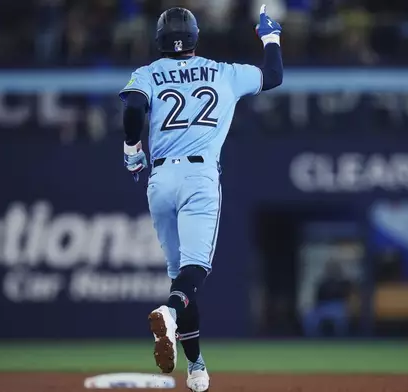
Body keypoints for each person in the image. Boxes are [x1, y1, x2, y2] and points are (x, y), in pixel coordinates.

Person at [118, 4, 283, 392]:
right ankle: (170, 315)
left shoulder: (147, 73)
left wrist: (130, 149)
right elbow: (274, 75)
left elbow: (134, 109)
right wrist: (271, 36)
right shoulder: (224, 72)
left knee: (181, 279)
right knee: (196, 272)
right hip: (199, 175)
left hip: (159, 178)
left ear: (159, 39)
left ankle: (196, 367)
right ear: (196, 37)